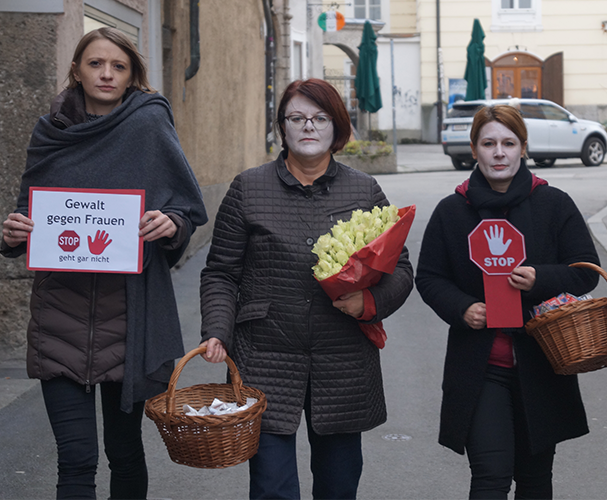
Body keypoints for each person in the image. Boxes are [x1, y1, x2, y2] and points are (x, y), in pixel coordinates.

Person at [0, 27, 207, 499]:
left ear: (133, 73)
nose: (107, 74)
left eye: (118, 66)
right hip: (60, 317)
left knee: (125, 452)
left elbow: (187, 208)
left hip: (130, 318)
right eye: (95, 64)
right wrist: (13, 233)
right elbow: (26, 213)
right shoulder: (49, 130)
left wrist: (170, 224)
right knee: (75, 459)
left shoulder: (149, 123)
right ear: (76, 69)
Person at [199, 78, 413, 500]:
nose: (308, 127)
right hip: (264, 355)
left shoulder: (363, 189)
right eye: (297, 118)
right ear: (283, 127)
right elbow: (221, 272)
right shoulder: (249, 188)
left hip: (343, 358)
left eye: (320, 118)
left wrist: (369, 301)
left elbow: (400, 269)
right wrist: (217, 330)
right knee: (271, 487)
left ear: (337, 128)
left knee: (338, 485)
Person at [415, 104, 600, 499]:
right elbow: (429, 277)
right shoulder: (452, 211)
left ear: (523, 148)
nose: (499, 152)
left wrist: (540, 278)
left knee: (535, 480)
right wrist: (461, 307)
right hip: (481, 368)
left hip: (543, 363)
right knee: (491, 475)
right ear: (474, 149)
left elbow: (586, 271)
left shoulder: (554, 205)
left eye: (508, 143)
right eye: (489, 143)